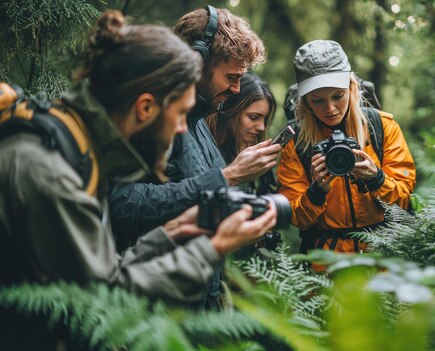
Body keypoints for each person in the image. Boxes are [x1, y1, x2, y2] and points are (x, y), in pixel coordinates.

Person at [0, 11, 277, 348]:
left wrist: (173, 233)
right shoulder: (50, 170)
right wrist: (212, 247)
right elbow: (105, 298)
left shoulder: (77, 148)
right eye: (178, 116)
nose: (181, 129)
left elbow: (101, 271)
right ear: (146, 108)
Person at [108, 5, 282, 309]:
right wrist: (229, 176)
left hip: (201, 306)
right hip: (153, 309)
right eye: (231, 76)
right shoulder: (152, 118)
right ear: (197, 62)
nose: (237, 88)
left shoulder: (200, 122)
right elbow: (124, 206)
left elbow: (196, 198)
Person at [277, 40, 416, 259]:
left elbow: (405, 201)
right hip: (326, 265)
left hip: (384, 256)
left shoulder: (382, 128)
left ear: (351, 88)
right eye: (317, 100)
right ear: (305, 101)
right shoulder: (298, 144)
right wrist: (316, 192)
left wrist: (376, 179)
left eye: (337, 96)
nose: (330, 109)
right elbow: (296, 217)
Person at [206, 72, 278, 195]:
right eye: (254, 117)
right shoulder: (202, 149)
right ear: (232, 110)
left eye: (265, 119)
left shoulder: (247, 154)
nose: (262, 127)